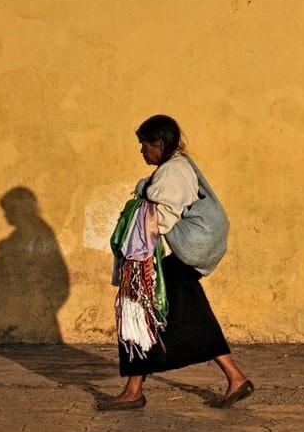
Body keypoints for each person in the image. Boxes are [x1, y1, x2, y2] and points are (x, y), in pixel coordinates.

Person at [100, 114, 253, 410]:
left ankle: (134, 390)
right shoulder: (177, 167)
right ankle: (234, 377)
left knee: (140, 305)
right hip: (191, 255)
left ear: (159, 144)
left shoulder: (172, 172)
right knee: (184, 310)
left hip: (191, 251)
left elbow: (160, 215)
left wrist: (139, 250)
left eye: (144, 145)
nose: (142, 152)